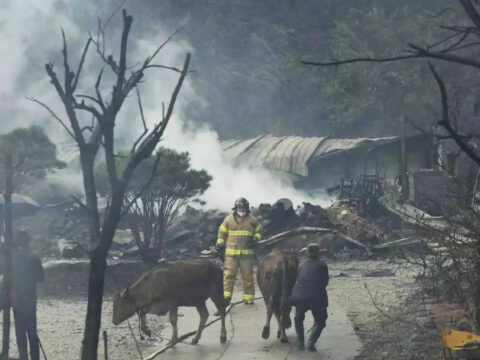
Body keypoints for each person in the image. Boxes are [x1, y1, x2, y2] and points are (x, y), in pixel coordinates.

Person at [216, 197, 262, 305]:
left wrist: (256, 238)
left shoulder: (252, 220)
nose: (241, 209)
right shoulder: (228, 219)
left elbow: (259, 231)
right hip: (231, 255)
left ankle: (249, 298)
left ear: (247, 208)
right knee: (228, 276)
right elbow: (222, 232)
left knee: (248, 277)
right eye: (239, 207)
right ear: (235, 208)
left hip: (246, 255)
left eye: (243, 207)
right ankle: (226, 299)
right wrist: (219, 244)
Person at [11, 230, 44, 360]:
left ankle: (23, 357)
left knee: (20, 333)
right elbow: (41, 278)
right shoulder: (34, 258)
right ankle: (35, 358)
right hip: (29, 300)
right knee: (31, 332)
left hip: (17, 300)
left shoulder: (12, 259)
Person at [290, 243, 329, 351]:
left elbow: (298, 279)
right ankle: (311, 342)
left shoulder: (301, 265)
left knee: (298, 318)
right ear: (318, 253)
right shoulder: (322, 265)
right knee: (321, 320)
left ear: (307, 252)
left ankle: (301, 342)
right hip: (317, 296)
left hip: (300, 296)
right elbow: (325, 282)